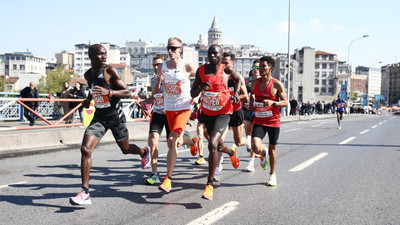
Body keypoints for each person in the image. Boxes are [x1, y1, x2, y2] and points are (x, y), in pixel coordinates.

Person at [69, 44, 151, 205]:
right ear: (91, 56)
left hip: (115, 117)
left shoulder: (109, 71)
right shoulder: (88, 74)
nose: (104, 57)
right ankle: (85, 192)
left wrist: (110, 92)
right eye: (100, 54)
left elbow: (127, 92)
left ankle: (143, 152)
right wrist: (88, 100)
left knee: (125, 149)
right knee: (85, 149)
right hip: (99, 117)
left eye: (105, 54)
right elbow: (95, 91)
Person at [191, 44, 242, 200]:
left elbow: (238, 78)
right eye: (210, 53)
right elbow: (192, 92)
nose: (212, 56)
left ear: (220, 56)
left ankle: (209, 184)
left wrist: (237, 93)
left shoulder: (225, 70)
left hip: (224, 111)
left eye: (215, 54)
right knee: (219, 145)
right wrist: (201, 88)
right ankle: (231, 152)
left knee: (212, 143)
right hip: (207, 112)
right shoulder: (201, 70)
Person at [154, 37, 198, 193]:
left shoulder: (187, 66)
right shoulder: (162, 67)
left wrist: (197, 96)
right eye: (168, 48)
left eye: (173, 48)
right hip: (169, 108)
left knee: (171, 140)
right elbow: (156, 90)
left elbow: (200, 80)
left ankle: (168, 179)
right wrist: (158, 81)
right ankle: (192, 142)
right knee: (176, 142)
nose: (170, 51)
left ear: (180, 49)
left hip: (184, 107)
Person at [249, 56, 288, 186]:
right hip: (259, 119)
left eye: (263, 66)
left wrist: (273, 102)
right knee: (254, 146)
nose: (260, 68)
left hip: (273, 121)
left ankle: (272, 174)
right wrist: (250, 105)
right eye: (259, 66)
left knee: (272, 151)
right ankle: (262, 152)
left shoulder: (276, 84)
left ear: (270, 68)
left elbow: (286, 102)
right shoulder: (254, 83)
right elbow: (251, 100)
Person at [214, 52, 248, 180]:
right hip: (223, 113)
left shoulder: (236, 77)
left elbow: (246, 96)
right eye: (222, 62)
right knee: (218, 141)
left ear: (233, 64)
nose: (224, 65)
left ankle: (248, 141)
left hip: (236, 112)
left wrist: (237, 96)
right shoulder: (219, 76)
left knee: (238, 142)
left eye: (226, 62)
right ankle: (217, 170)